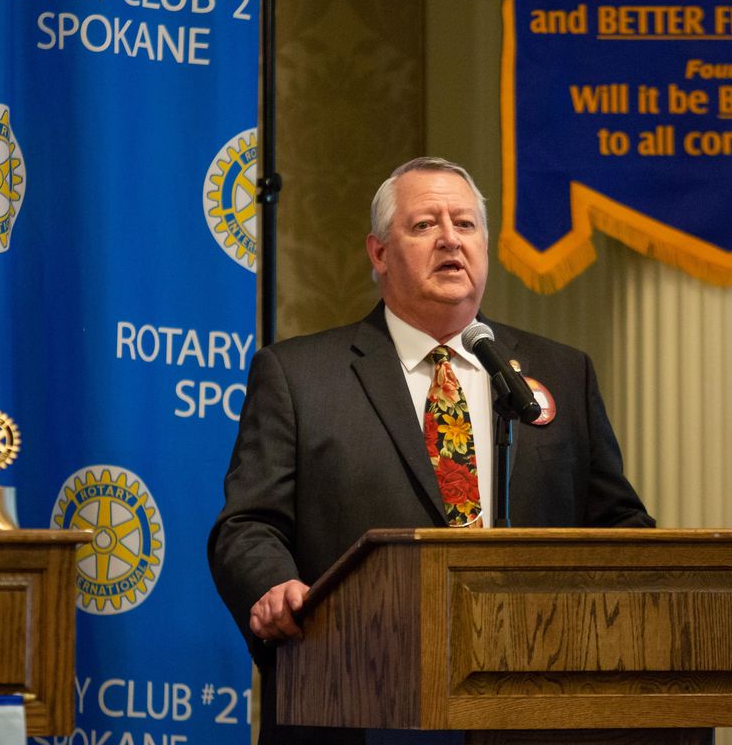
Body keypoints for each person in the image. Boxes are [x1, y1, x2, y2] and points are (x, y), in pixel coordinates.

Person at [208, 157, 654, 744]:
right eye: (424, 225)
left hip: (534, 703)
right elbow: (246, 525)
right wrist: (273, 586)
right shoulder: (299, 376)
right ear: (378, 254)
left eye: (465, 224)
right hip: (355, 698)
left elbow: (619, 524)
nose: (450, 238)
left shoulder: (561, 374)